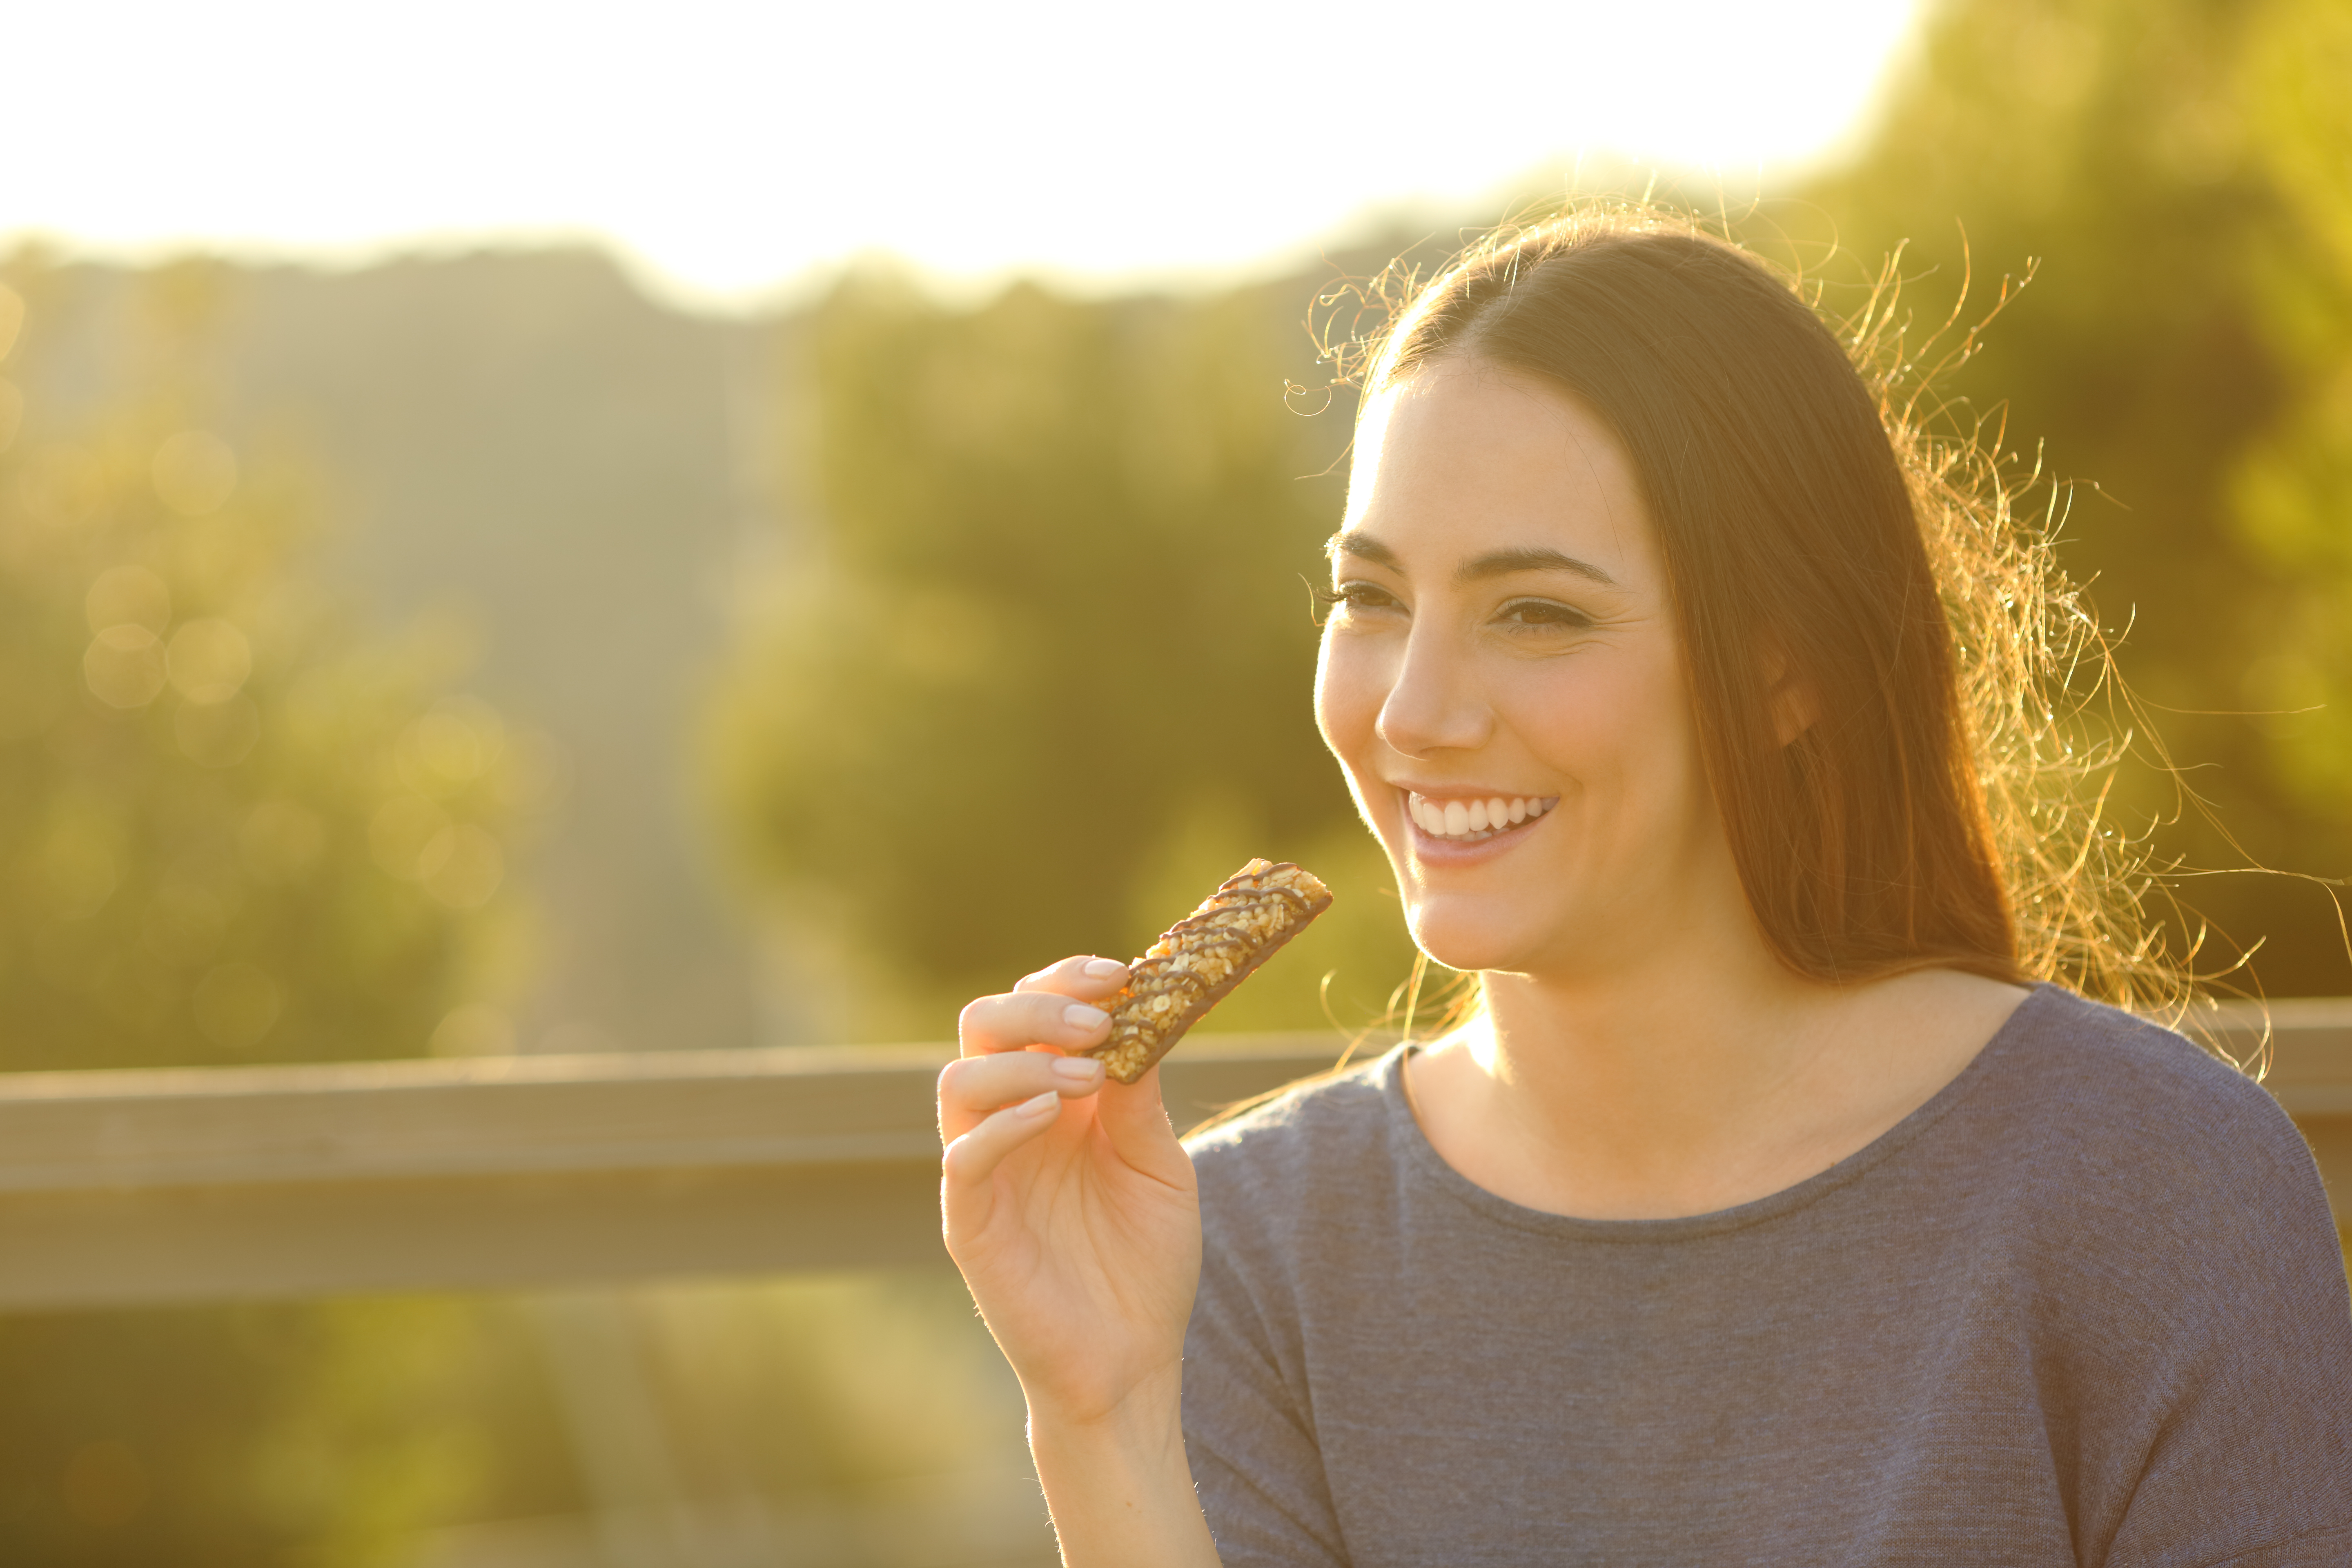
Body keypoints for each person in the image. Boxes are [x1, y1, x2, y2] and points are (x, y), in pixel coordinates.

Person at [936, 207, 2352, 1565]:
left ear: (1782, 666)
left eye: (1536, 613)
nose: (1413, 710)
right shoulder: (1234, 1257)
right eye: (1370, 599)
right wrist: (1104, 1415)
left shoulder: (2161, 1188)